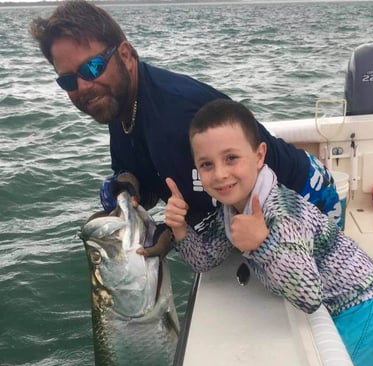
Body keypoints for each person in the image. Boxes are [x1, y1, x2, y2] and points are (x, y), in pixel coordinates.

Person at [30, 0, 342, 257]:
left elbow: (216, 205)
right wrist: (129, 184)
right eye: (68, 80)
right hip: (242, 213)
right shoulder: (119, 103)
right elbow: (153, 181)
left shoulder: (177, 115)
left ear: (124, 55)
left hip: (306, 198)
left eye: (92, 67)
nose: (84, 86)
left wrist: (169, 234)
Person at [165, 98, 373, 366]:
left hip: (362, 304)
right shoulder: (233, 206)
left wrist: (263, 244)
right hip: (351, 304)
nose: (220, 174)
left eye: (231, 158)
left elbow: (309, 294)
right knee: (371, 365)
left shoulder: (280, 212)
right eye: (207, 164)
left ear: (260, 155)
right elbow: (205, 259)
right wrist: (181, 229)